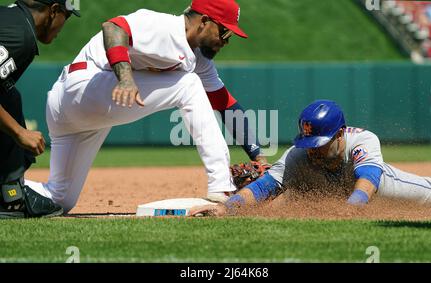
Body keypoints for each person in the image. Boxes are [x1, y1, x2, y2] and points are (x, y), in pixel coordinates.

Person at [24, 0, 262, 213]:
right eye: (224, 31)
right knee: (188, 85)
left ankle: (9, 185)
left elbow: (225, 104)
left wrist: (258, 156)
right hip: (84, 86)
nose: (225, 41)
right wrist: (126, 77)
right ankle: (221, 186)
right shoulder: (163, 26)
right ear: (204, 21)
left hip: (73, 111)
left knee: (60, 198)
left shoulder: (198, 60)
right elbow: (113, 27)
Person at [190, 100, 431, 216]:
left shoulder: (362, 140)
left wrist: (352, 207)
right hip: (349, 194)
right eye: (308, 143)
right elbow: (265, 186)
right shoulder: (298, 154)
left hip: (383, 189)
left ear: (339, 134)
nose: (312, 149)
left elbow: (369, 178)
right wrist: (226, 207)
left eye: (319, 144)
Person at [0, 0, 79, 219]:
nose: (63, 27)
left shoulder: (11, 20)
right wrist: (19, 132)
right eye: (67, 16)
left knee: (9, 96)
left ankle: (10, 193)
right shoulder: (20, 36)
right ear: (53, 11)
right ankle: (10, 200)